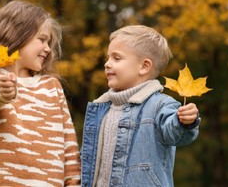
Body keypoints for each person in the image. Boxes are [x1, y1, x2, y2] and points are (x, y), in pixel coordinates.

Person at [0, 0, 81, 187]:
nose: (48, 48)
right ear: (17, 36)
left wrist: (73, 181)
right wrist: (2, 91)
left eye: (49, 42)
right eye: (42, 39)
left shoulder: (52, 86)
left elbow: (69, 143)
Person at [80, 25, 200, 187]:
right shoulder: (101, 109)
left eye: (116, 58)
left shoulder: (160, 106)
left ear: (144, 66)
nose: (107, 64)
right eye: (108, 58)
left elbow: (175, 133)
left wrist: (184, 121)